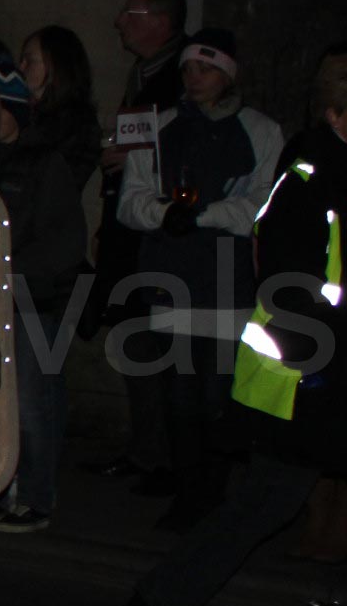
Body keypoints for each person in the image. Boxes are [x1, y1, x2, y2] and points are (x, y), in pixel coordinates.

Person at [120, 51, 347, 606]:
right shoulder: (311, 181)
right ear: (335, 115)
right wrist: (316, 364)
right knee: (270, 500)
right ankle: (159, 601)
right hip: (322, 376)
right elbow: (289, 282)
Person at [114, 28, 280, 530]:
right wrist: (164, 215)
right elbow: (130, 199)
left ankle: (215, 494)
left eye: (206, 68)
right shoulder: (160, 127)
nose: (194, 77)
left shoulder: (260, 130)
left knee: (217, 397)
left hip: (228, 282)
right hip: (173, 277)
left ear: (228, 74)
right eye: (188, 68)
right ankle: (190, 495)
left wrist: (205, 216)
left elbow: (262, 203)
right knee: (179, 396)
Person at [0, 26, 102, 532]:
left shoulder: (46, 161)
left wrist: (9, 273)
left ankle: (37, 496)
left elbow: (61, 240)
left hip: (35, 297)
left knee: (32, 399)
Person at [86, 0, 189, 482]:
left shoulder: (182, 76)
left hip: (160, 237)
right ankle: (146, 450)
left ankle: (165, 458)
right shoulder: (142, 73)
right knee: (135, 343)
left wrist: (134, 161)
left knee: (157, 349)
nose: (119, 22)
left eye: (132, 13)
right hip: (128, 228)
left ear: (161, 22)